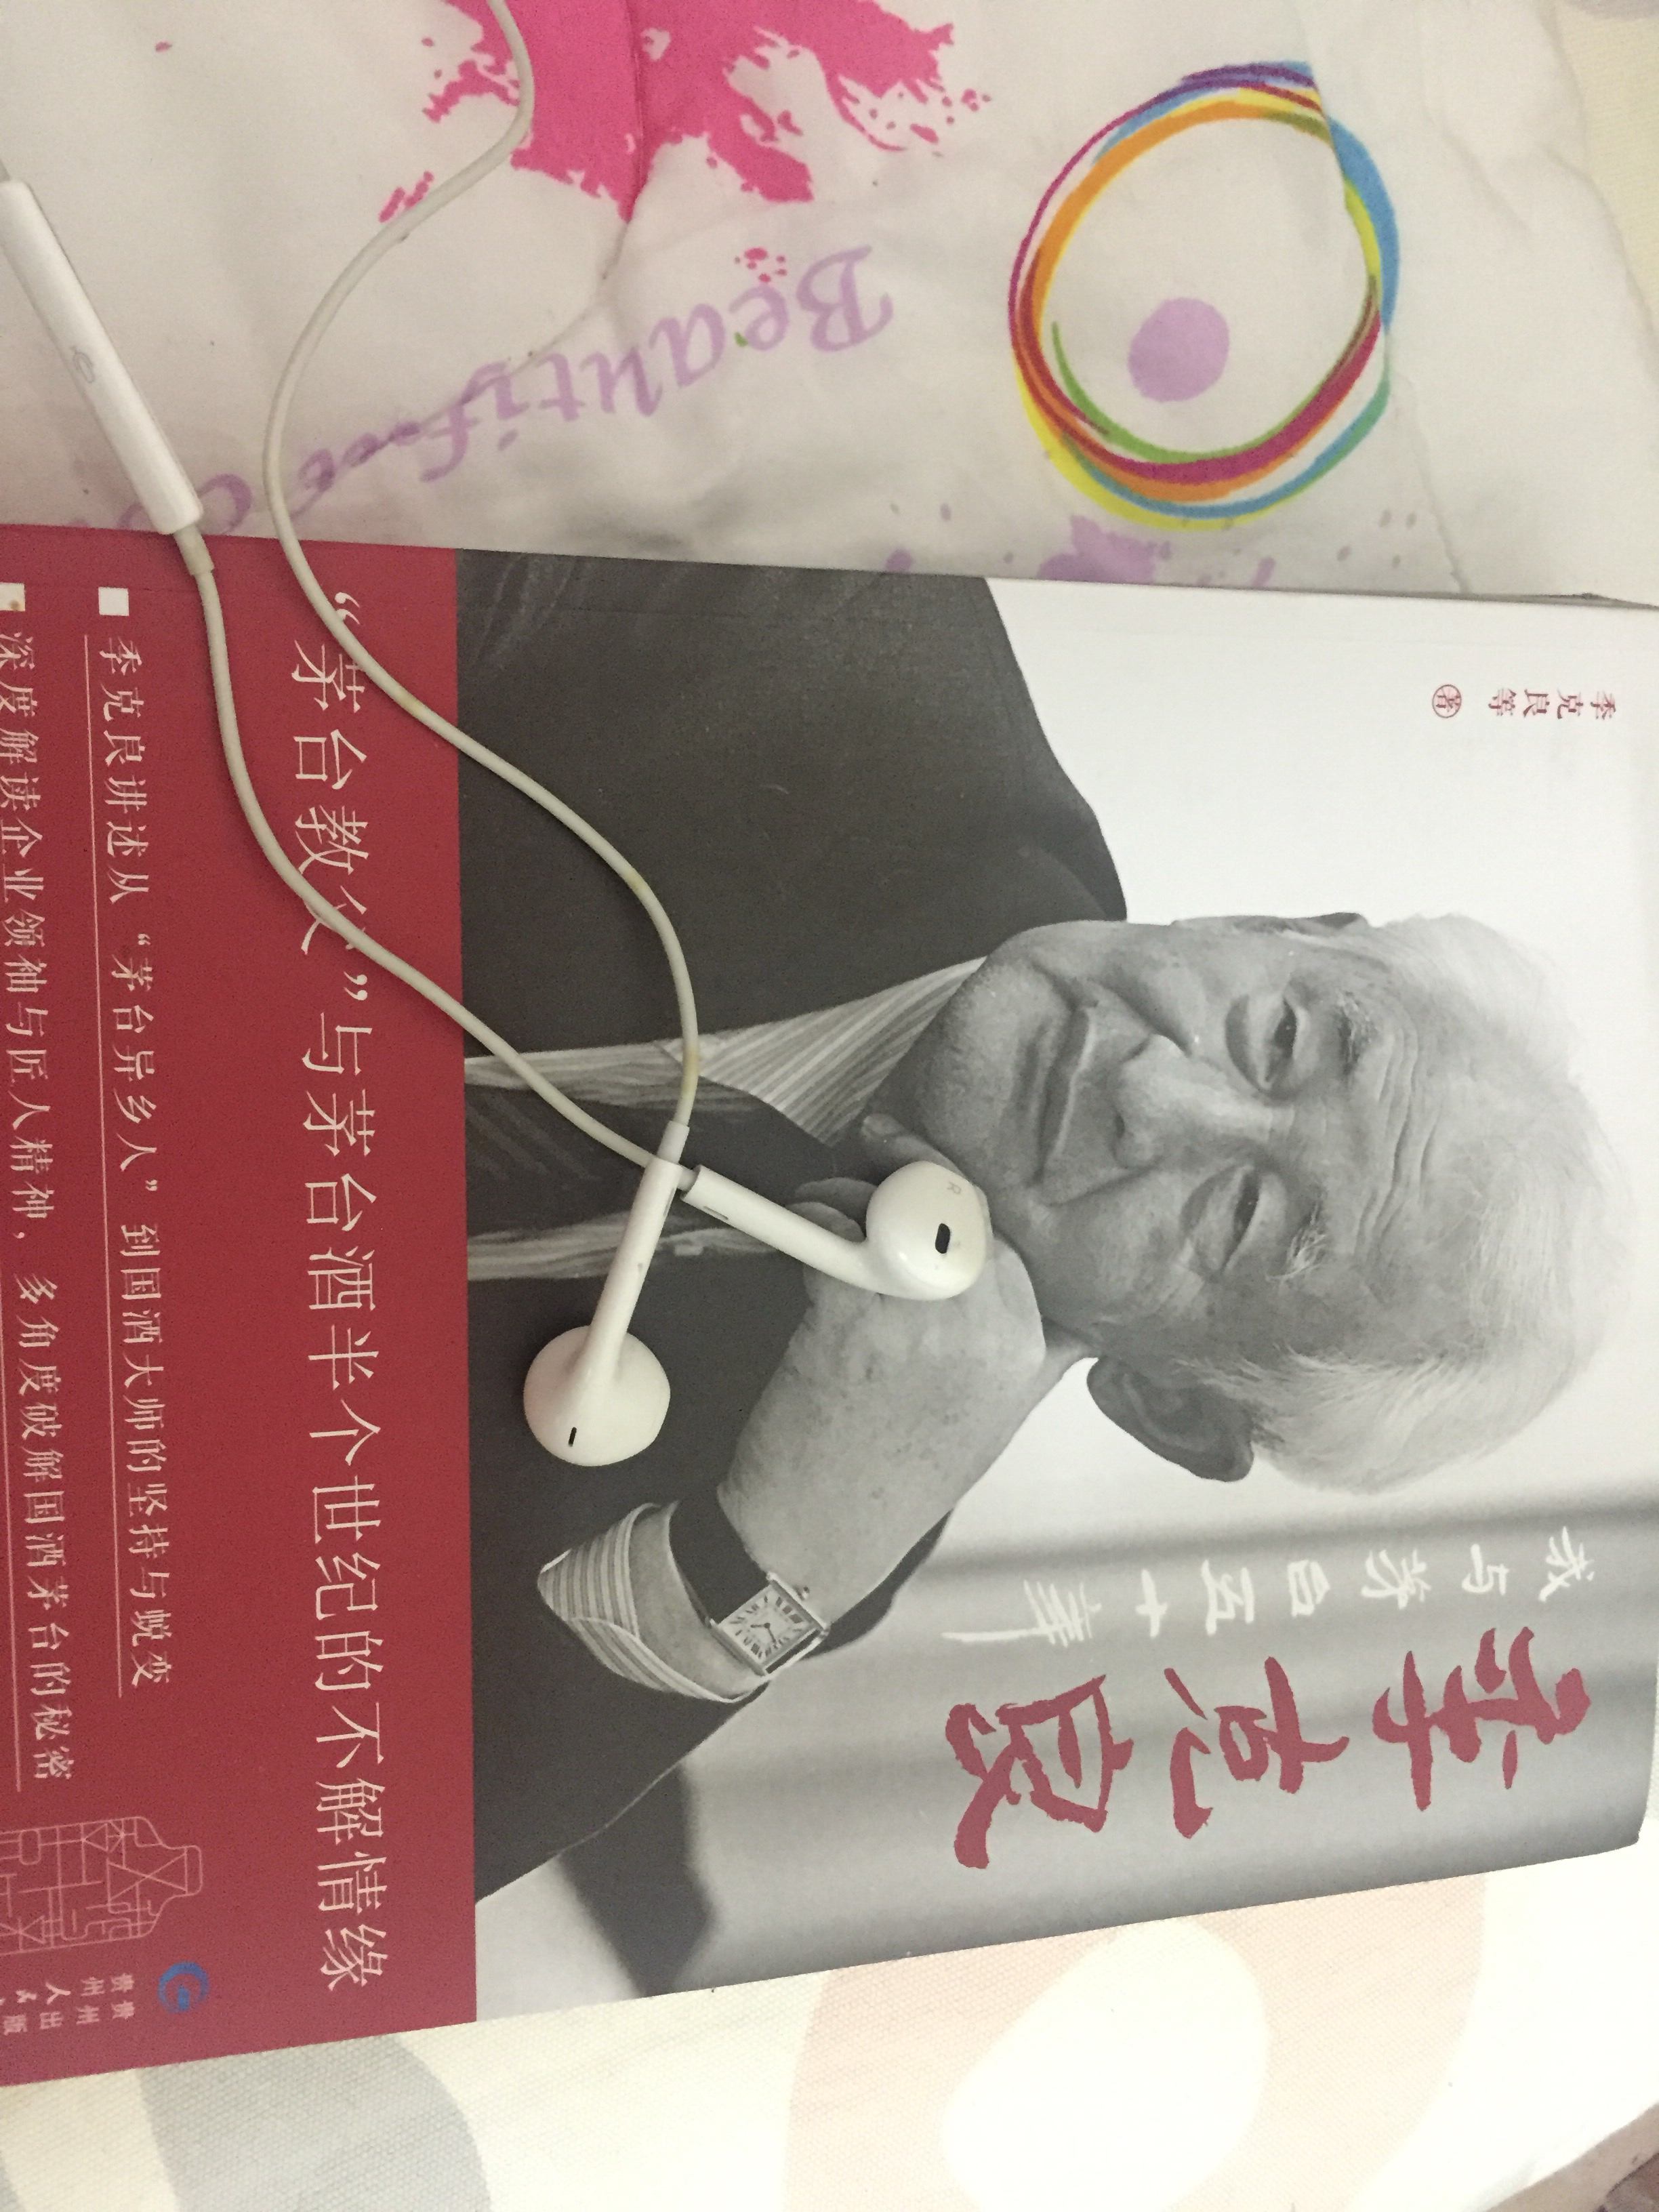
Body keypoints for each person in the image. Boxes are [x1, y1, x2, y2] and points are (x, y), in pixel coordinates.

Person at [457, 552, 1620, 1978]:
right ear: (1284, 928)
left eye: (1241, 1220)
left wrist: (772, 1570)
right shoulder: (821, 636)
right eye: (1279, 1038)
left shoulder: (838, 1496)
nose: (1155, 1094)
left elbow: (325, 1833)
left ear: (1168, 1404)